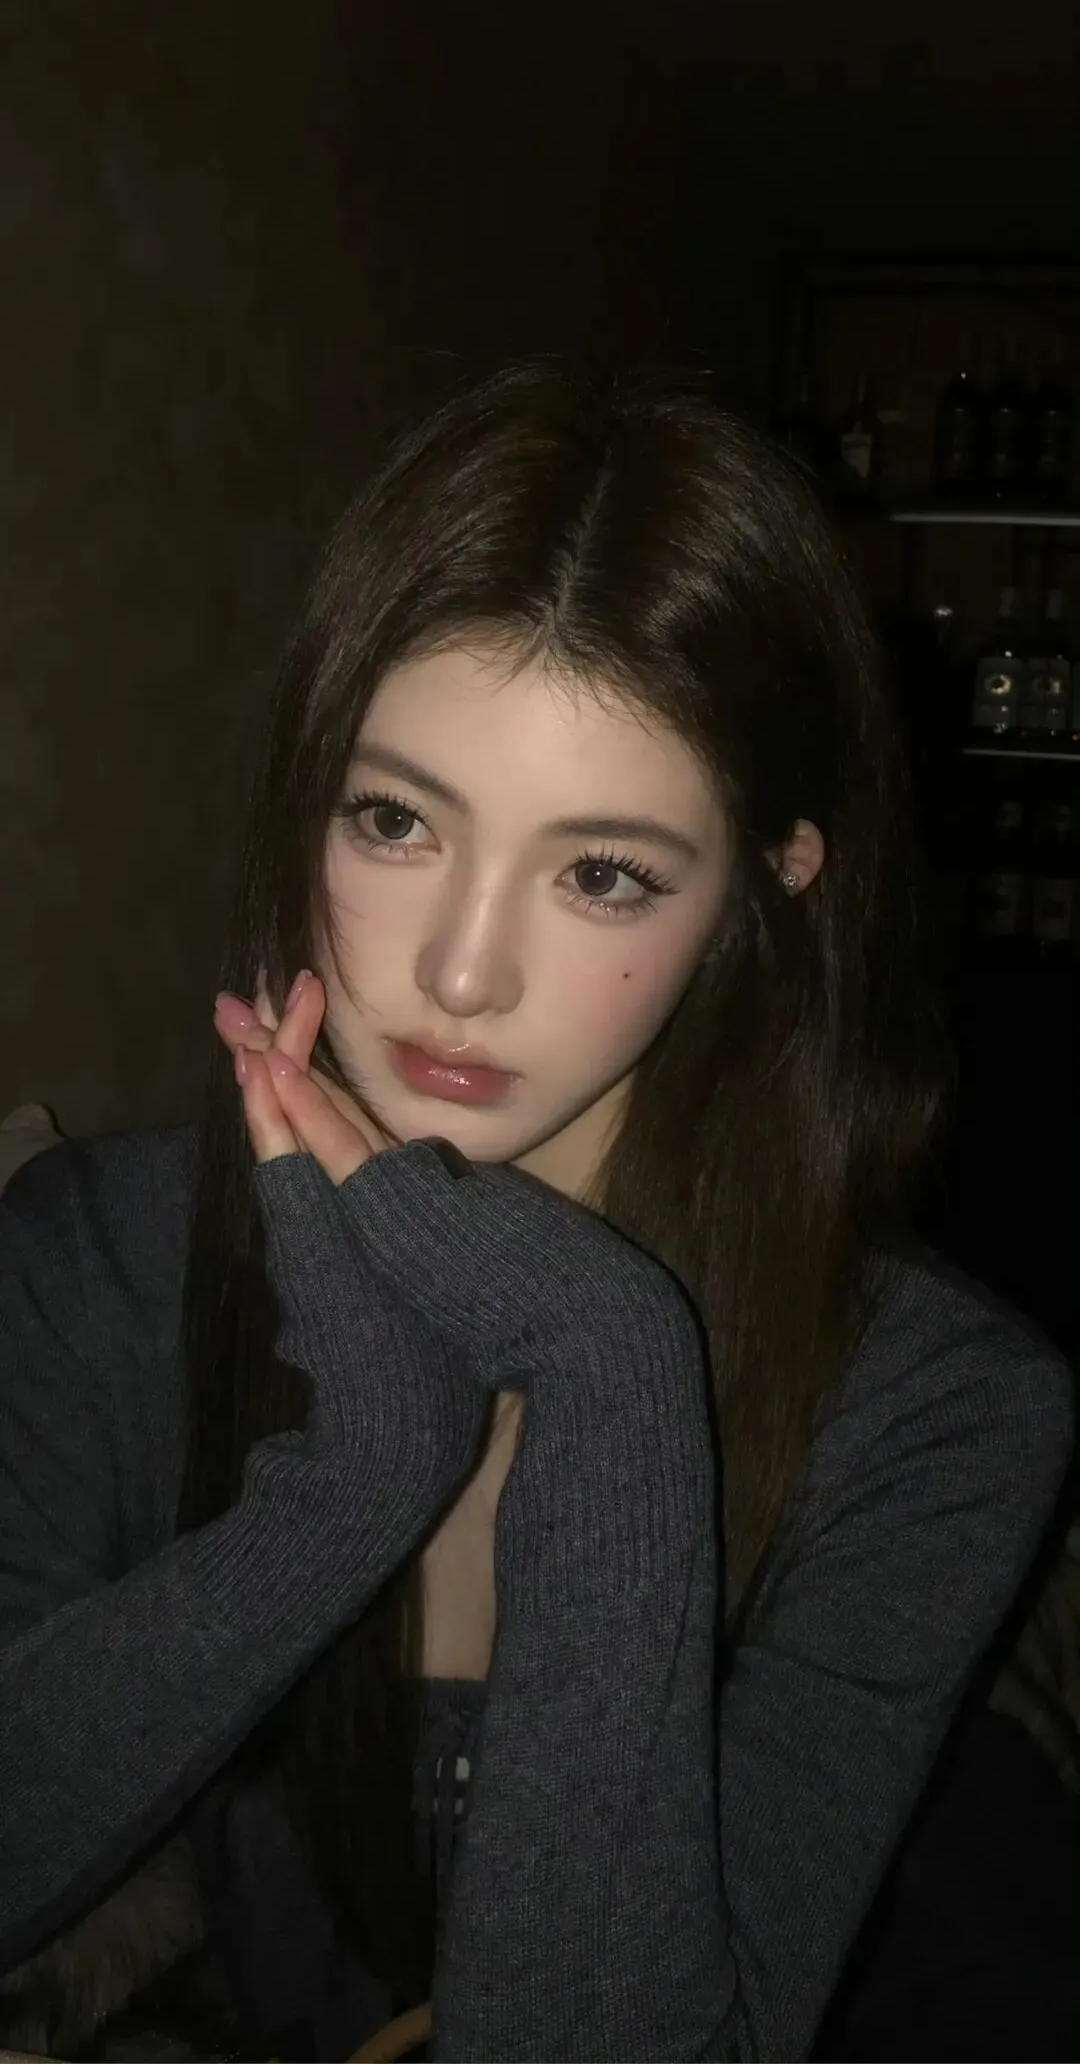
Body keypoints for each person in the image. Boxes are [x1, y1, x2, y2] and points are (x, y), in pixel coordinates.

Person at [0, 361, 1073, 2064]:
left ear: (769, 887)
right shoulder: (93, 1266)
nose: (460, 972)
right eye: (395, 820)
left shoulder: (937, 1411)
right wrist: (349, 1484)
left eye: (603, 874)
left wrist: (609, 1363)